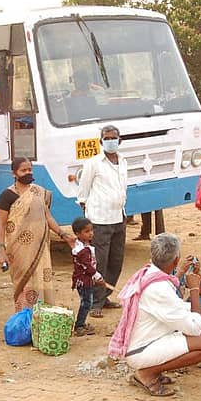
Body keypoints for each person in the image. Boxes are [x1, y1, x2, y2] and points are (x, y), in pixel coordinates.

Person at [108, 233, 201, 397]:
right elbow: (194, 327)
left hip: (148, 342)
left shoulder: (152, 275)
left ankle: (154, 370)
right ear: (176, 260)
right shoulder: (159, 288)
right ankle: (147, 373)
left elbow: (180, 308)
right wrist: (194, 289)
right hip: (141, 350)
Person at [0, 157, 76, 311]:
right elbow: (1, 224)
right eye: (23, 170)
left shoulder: (38, 192)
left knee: (41, 282)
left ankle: (42, 317)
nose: (28, 173)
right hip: (18, 250)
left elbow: (48, 217)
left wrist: (63, 235)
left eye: (30, 170)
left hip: (40, 248)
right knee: (24, 284)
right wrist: (1, 250)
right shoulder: (7, 195)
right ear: (14, 173)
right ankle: (25, 318)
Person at [77, 125, 128, 317]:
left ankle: (105, 295)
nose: (110, 141)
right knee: (99, 262)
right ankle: (95, 302)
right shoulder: (93, 163)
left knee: (116, 261)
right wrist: (88, 219)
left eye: (113, 138)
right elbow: (83, 193)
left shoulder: (123, 161)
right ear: (101, 141)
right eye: (106, 138)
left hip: (119, 217)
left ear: (119, 140)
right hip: (99, 219)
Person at [71, 216, 106, 336]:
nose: (91, 233)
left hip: (85, 280)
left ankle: (81, 323)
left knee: (86, 302)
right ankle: (79, 326)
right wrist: (97, 276)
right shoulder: (82, 251)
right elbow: (87, 267)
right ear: (77, 234)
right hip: (83, 281)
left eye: (91, 230)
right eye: (87, 231)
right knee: (86, 303)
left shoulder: (84, 246)